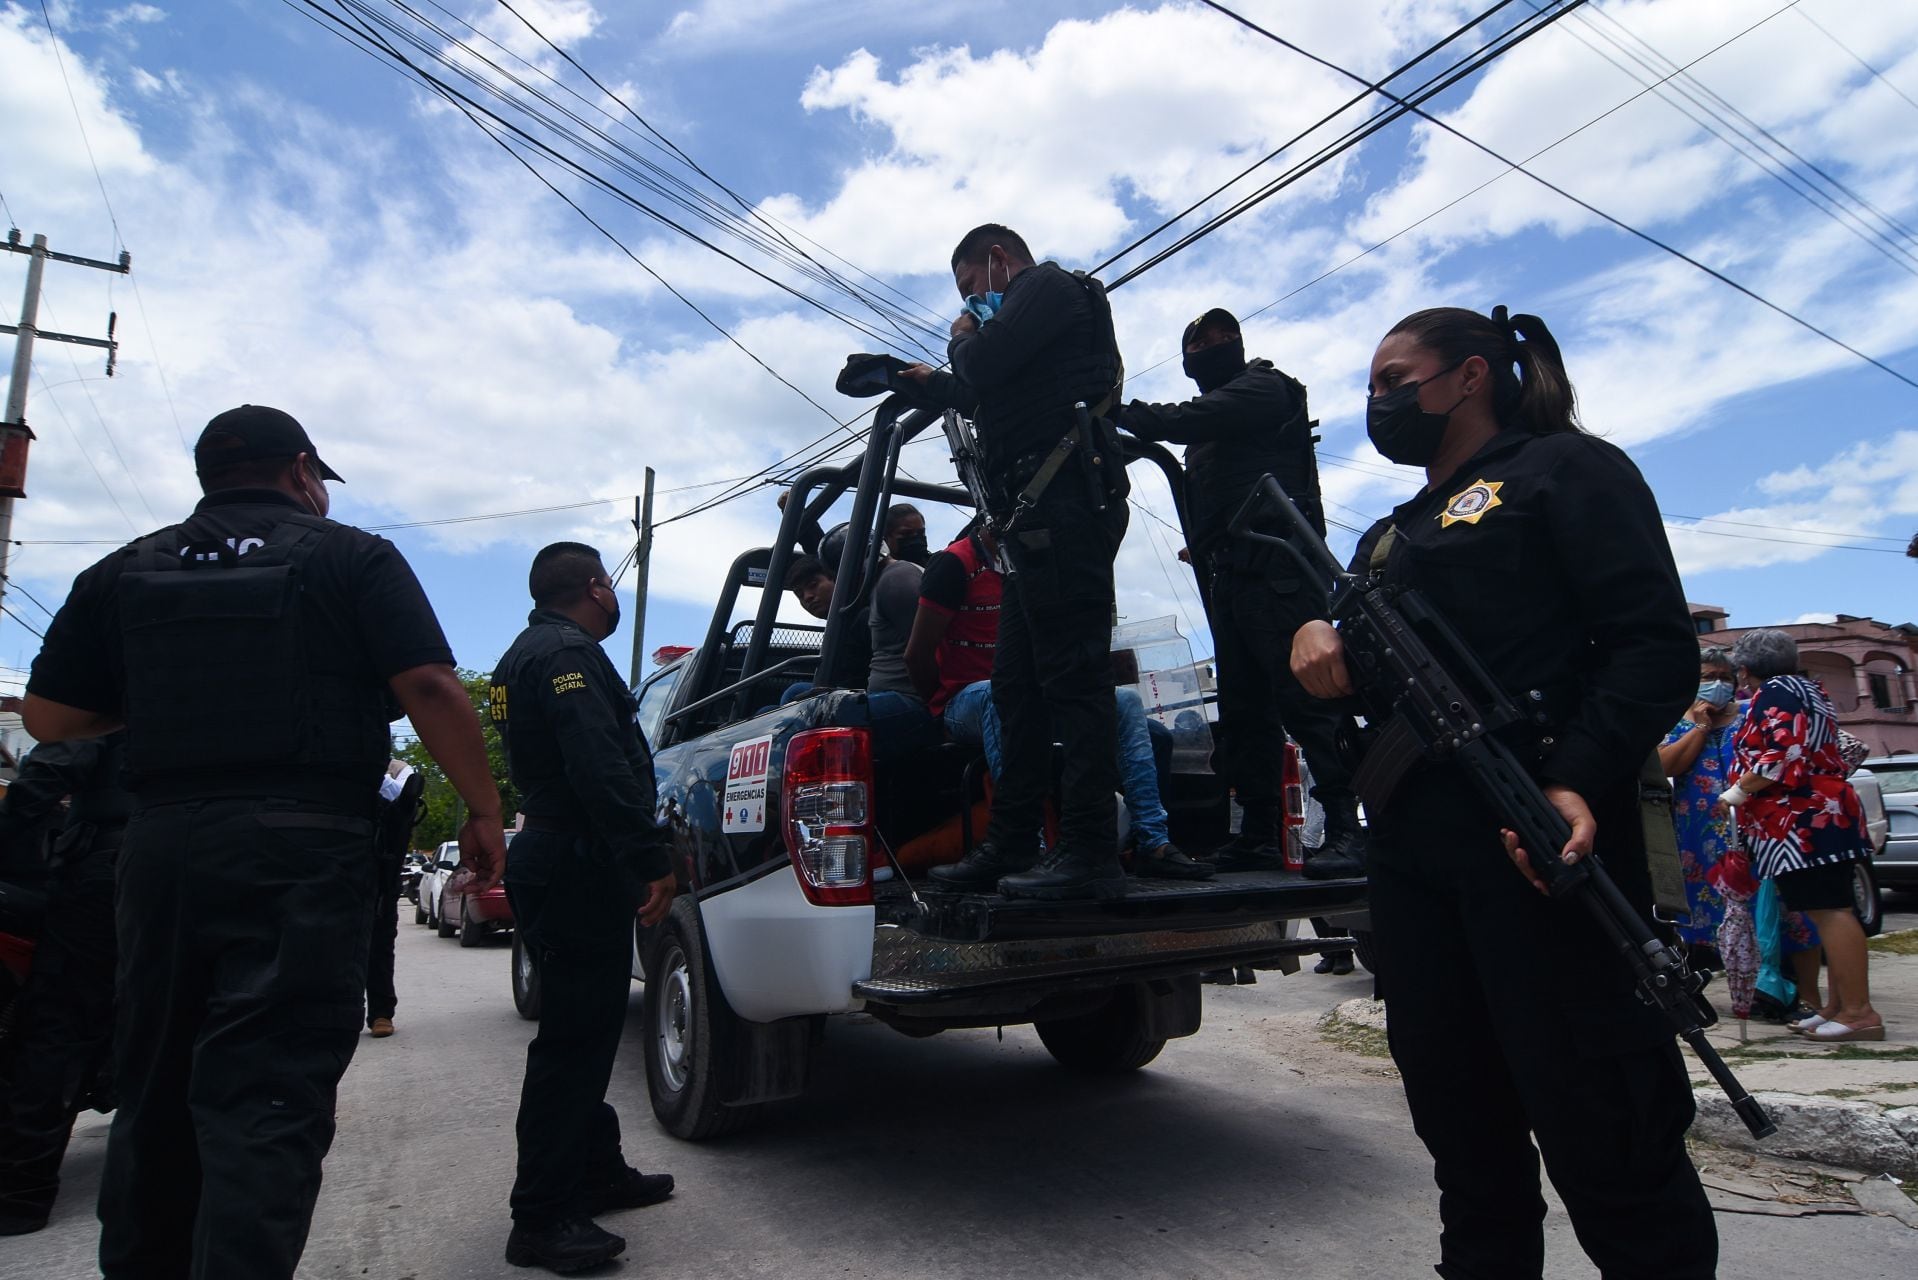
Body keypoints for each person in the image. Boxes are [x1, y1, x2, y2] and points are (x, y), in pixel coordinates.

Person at [22, 404, 508, 1280]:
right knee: (266, 1097)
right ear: (301, 473)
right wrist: (481, 808)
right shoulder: (353, 557)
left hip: (161, 844)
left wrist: (181, 700)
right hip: (299, 848)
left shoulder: (124, 569)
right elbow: (431, 684)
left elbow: (51, 717)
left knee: (155, 1091)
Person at [1291, 308, 1717, 1277]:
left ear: (1469, 374)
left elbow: (1654, 647)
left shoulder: (1564, 470)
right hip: (1415, 864)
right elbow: (1347, 682)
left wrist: (1575, 775)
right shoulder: (1388, 539)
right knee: (1466, 1141)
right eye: (1371, 384)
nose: (1377, 400)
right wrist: (1311, 641)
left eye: (1394, 378)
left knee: (1610, 1141)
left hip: (1542, 847)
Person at [900, 223, 1130, 900]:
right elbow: (984, 392)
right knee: (1015, 687)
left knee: (1073, 679)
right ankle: (1011, 840)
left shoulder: (1049, 285)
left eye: (972, 288)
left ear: (999, 261)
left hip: (1063, 509)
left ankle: (1089, 847)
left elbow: (982, 364)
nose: (971, 304)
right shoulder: (1032, 328)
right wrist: (931, 385)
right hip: (1034, 522)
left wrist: (960, 338)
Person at [1119, 308, 1363, 880]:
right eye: (1201, 340)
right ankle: (1257, 833)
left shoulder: (1264, 387)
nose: (1215, 344)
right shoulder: (1209, 439)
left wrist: (1122, 414)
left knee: (1307, 705)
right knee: (1246, 715)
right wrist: (1202, 546)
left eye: (1224, 336)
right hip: (1232, 580)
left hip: (1280, 576)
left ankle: (1351, 829)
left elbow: (1197, 417)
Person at [489, 542, 679, 1273]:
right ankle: (539, 1217)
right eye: (608, 583)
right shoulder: (568, 655)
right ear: (596, 587)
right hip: (575, 859)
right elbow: (596, 762)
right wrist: (647, 856)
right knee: (572, 1044)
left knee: (588, 1030)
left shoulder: (519, 656)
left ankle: (596, 1170)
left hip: (552, 850)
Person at [908, 526, 1210, 880]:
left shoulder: (1036, 569)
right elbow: (916, 655)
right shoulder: (955, 564)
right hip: (965, 701)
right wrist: (940, 710)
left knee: (1126, 702)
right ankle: (1025, 844)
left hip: (1030, 694)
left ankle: (1152, 842)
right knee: (997, 694)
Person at [1722, 628, 1884, 1042]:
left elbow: (1781, 755)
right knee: (1825, 909)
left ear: (1743, 670)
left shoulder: (1776, 692)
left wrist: (1738, 791)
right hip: (1816, 814)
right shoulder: (1805, 688)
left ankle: (1859, 1012)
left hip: (1803, 819)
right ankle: (1837, 1006)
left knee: (1831, 910)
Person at [0, 733, 128, 1235]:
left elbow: (54, 765)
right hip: (231, 863)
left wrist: (11, 833)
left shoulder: (125, 670)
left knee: (61, 1025)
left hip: (113, 865)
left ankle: (20, 1196)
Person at [1658, 647, 1822, 999]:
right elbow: (1667, 767)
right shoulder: (1675, 721)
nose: (1717, 684)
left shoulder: (1752, 713)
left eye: (1724, 677)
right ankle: (1747, 994)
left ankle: (1808, 996)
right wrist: (1701, 726)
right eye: (1708, 677)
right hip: (1701, 837)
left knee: (1790, 914)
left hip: (1764, 832)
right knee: (1713, 917)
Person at [365, 758, 425, 1038]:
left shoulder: (396, 771)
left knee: (379, 941)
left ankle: (380, 1013)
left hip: (380, 872)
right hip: (341, 866)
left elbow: (404, 794)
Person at [783, 554, 870, 690]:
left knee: (796, 691)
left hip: (863, 697)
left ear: (835, 579)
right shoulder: (836, 628)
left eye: (813, 585)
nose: (807, 597)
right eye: (800, 594)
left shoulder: (864, 618)